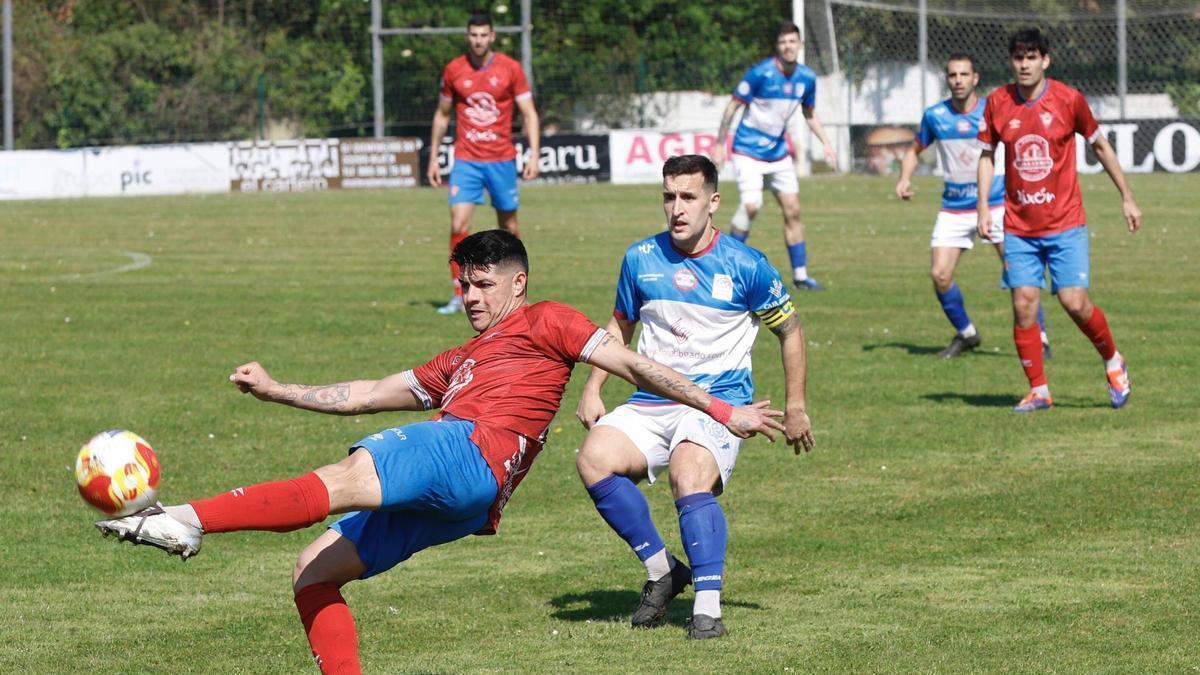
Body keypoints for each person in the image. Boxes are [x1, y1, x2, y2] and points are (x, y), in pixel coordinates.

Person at [95, 230, 785, 673]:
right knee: (312, 571)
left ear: (517, 281)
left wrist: (721, 408)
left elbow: (635, 367)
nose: (471, 295)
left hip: (471, 449)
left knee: (350, 473)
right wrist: (279, 390)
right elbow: (366, 392)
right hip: (461, 496)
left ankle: (184, 517)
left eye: (484, 283)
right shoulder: (458, 358)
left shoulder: (550, 318)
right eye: (465, 283)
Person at [574, 155, 814, 640]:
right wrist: (593, 386)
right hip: (652, 400)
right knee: (593, 458)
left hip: (720, 402)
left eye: (688, 197)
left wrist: (795, 407)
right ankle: (664, 571)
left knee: (687, 476)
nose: (677, 208)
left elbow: (790, 331)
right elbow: (621, 323)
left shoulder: (747, 266)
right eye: (669, 196)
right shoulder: (640, 258)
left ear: (713, 201)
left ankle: (707, 610)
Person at [977, 28, 1142, 412]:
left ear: (1045, 60)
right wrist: (984, 205)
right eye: (1018, 57)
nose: (1024, 64)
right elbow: (987, 155)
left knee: (1074, 302)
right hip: (1019, 225)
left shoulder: (1069, 100)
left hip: (1066, 223)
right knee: (1023, 304)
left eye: (1032, 56)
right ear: (1011, 61)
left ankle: (1114, 361)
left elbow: (1100, 145)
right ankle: (1039, 390)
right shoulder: (997, 102)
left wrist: (1128, 197)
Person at [895, 53, 1051, 359]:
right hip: (953, 206)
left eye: (964, 75)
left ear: (975, 78)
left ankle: (1040, 339)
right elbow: (915, 150)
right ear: (947, 79)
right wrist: (904, 178)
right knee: (940, 275)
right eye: (953, 75)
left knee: (1020, 272)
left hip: (996, 203)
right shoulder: (935, 116)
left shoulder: (993, 109)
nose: (958, 81)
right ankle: (967, 334)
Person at [427, 11, 540, 315]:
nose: (478, 40)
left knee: (509, 227)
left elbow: (529, 112)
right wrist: (434, 157)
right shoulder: (454, 70)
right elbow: (442, 114)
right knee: (458, 224)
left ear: (492, 36)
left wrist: (534, 153)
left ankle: (517, 292)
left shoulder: (510, 69)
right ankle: (458, 292)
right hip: (466, 159)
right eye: (473, 35)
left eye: (483, 35)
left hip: (501, 160)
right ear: (468, 36)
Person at [711, 21, 838, 290]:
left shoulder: (806, 78)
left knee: (793, 210)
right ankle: (726, 266)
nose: (788, 47)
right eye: (783, 42)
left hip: (778, 155)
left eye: (792, 41)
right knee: (752, 206)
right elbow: (733, 105)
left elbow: (809, 112)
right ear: (777, 47)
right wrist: (720, 143)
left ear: (800, 45)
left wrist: (826, 143)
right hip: (747, 151)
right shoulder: (761, 73)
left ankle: (801, 277)